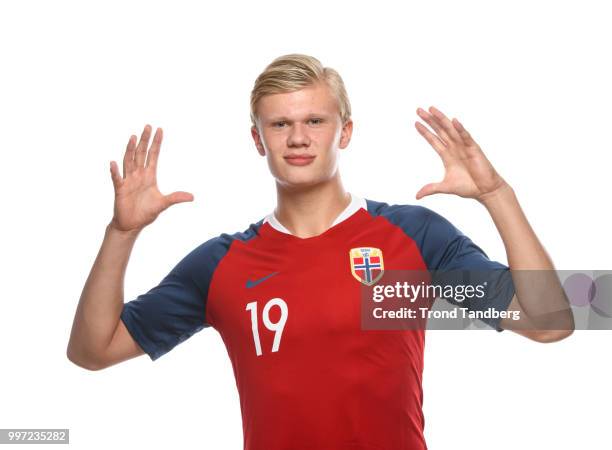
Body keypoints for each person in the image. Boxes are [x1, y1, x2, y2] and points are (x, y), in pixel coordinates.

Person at [67, 54, 574, 450]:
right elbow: (93, 350)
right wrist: (120, 232)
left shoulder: (413, 238)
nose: (298, 139)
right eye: (280, 125)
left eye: (315, 121)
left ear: (345, 131)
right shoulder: (221, 264)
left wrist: (496, 195)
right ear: (257, 139)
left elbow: (549, 321)